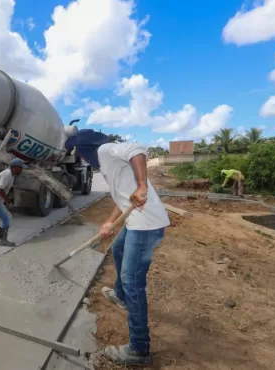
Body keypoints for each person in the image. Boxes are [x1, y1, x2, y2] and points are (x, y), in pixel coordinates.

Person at [70, 129, 170, 367]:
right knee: (117, 249)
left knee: (132, 281)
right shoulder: (107, 166)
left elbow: (136, 149)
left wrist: (142, 185)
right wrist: (109, 221)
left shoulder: (105, 150)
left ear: (87, 149)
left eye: (81, 152)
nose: (81, 158)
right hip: (136, 220)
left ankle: (139, 349)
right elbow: (122, 199)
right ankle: (121, 296)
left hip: (146, 225)